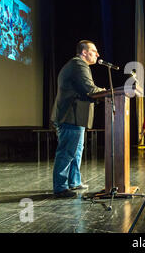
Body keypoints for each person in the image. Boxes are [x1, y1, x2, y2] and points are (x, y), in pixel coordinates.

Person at [50, 40, 105, 198]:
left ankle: (74, 182)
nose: (97, 54)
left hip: (76, 117)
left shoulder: (78, 65)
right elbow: (89, 89)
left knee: (76, 152)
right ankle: (60, 187)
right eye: (94, 51)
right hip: (70, 116)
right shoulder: (78, 64)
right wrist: (104, 92)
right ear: (84, 52)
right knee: (67, 152)